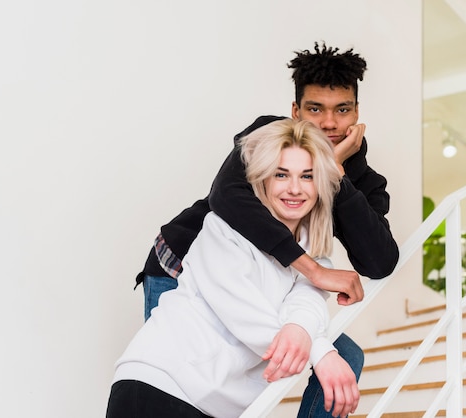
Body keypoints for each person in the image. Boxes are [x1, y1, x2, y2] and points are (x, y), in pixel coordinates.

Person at [135, 42, 399, 416]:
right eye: (314, 109)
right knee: (189, 385)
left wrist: (335, 173)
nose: (328, 123)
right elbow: (225, 194)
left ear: (357, 112)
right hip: (181, 267)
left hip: (263, 285)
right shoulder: (268, 137)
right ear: (295, 111)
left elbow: (379, 260)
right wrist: (315, 269)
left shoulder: (363, 181)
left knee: (346, 356)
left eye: (342, 109)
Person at [108, 119, 359, 418]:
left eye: (307, 176)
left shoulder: (315, 261)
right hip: (160, 383)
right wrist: (323, 353)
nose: (295, 188)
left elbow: (307, 304)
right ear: (263, 179)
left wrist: (302, 329)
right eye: (281, 174)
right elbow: (245, 314)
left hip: (214, 405)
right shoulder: (223, 229)